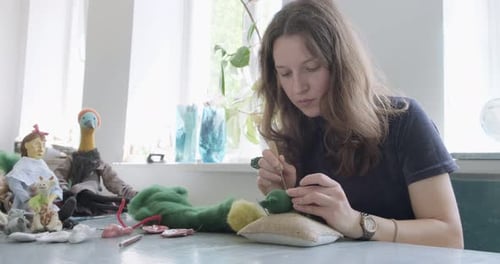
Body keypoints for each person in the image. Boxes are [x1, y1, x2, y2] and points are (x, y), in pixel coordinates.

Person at [255, 0, 463, 249]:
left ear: (341, 65)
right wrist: (284, 196)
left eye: (311, 68)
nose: (298, 87)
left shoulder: (404, 122)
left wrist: (356, 222)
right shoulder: (295, 135)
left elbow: (450, 237)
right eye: (285, 73)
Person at [6, 125, 76, 222]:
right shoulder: (22, 164)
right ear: (26, 145)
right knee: (24, 218)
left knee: (50, 212)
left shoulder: (43, 165)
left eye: (43, 144)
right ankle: (49, 219)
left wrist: (49, 200)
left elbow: (56, 187)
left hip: (44, 203)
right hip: (26, 205)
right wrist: (27, 200)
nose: (41, 148)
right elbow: (14, 182)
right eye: (36, 144)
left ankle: (59, 217)